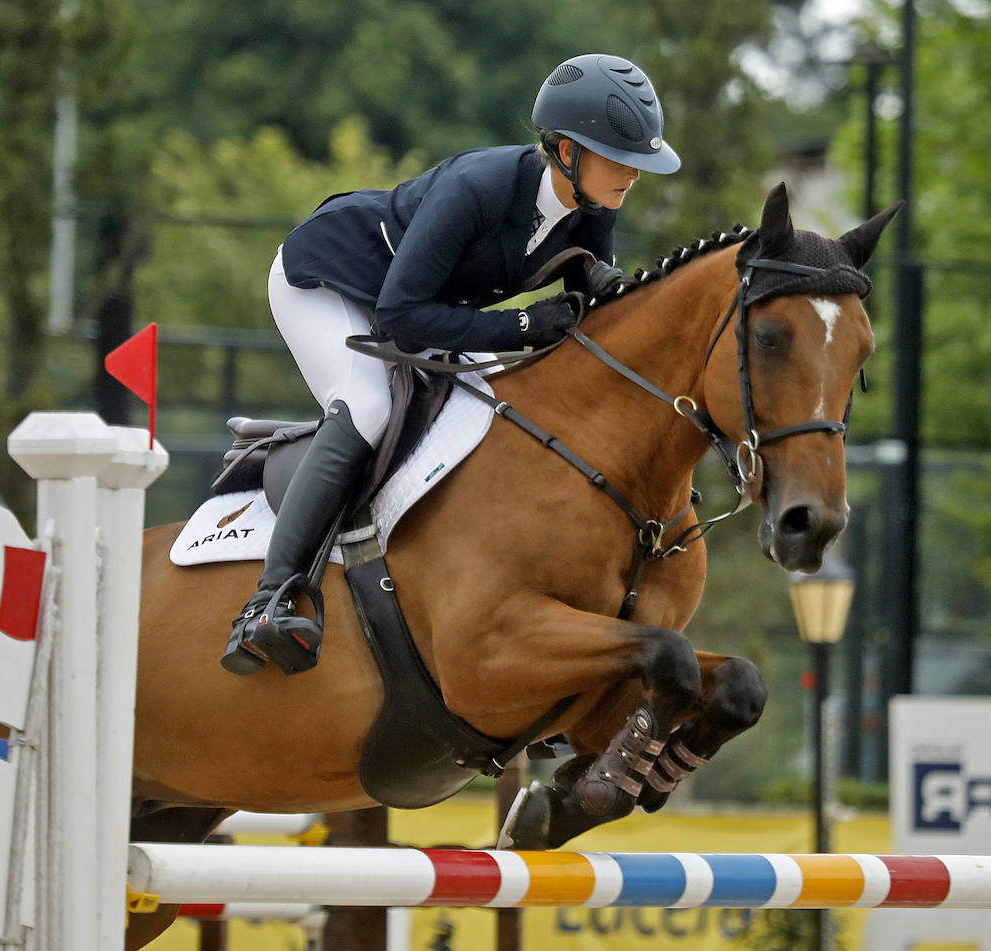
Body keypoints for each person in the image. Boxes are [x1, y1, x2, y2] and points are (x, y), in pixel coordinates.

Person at [222, 53, 681, 676]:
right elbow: (404, 314)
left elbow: (589, 290)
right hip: (328, 282)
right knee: (370, 406)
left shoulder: (597, 202)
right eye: (621, 157)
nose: (634, 174)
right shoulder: (480, 188)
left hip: (425, 305)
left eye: (638, 161)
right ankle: (268, 601)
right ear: (567, 152)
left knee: (508, 407)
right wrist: (520, 325)